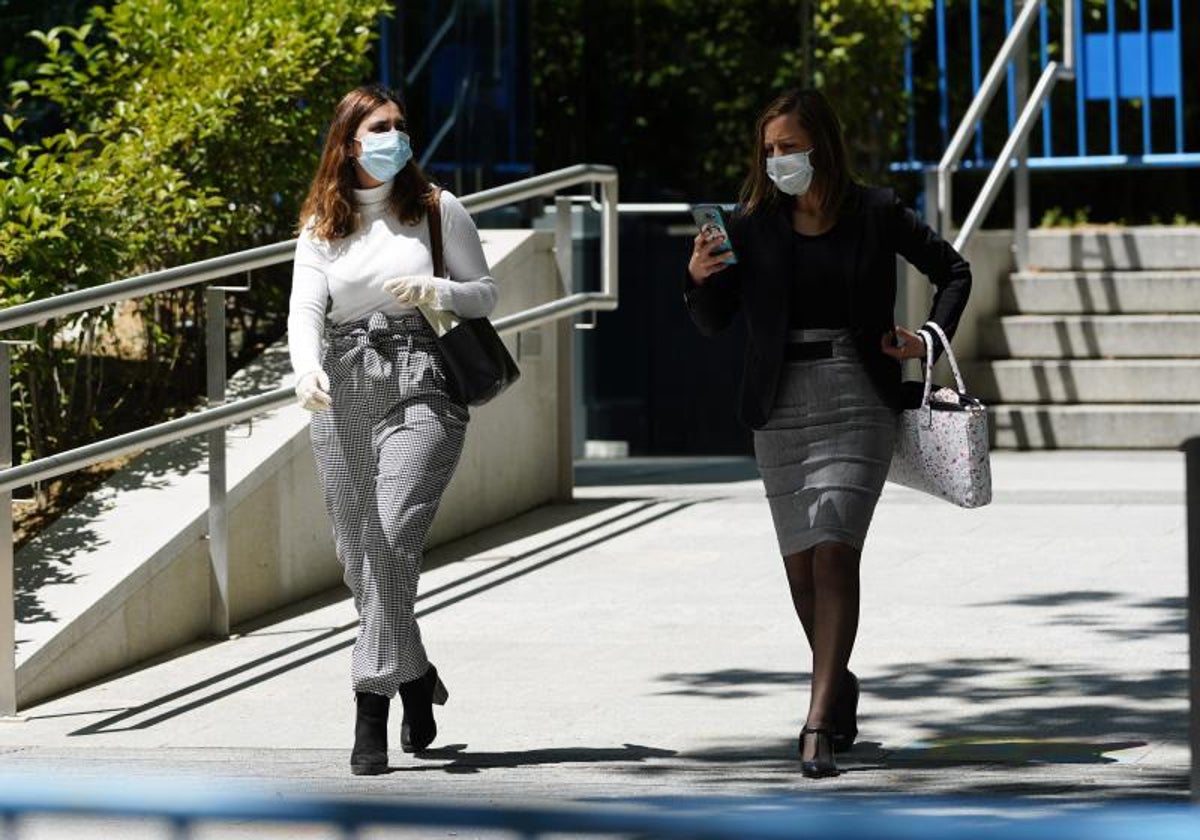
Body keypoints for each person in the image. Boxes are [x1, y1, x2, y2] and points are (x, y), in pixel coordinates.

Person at [684, 88, 971, 778]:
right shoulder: (748, 224)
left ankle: (815, 723)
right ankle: (837, 683)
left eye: (790, 146)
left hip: (856, 395)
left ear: (822, 146)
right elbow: (713, 320)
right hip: (779, 406)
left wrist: (925, 339)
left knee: (836, 549)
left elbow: (953, 270)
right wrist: (697, 280)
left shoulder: (875, 212)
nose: (779, 159)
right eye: (770, 150)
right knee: (802, 568)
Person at [287, 85, 498, 775]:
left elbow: (484, 292)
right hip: (344, 381)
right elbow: (304, 308)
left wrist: (439, 292)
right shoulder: (323, 222)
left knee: (394, 531)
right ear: (349, 142)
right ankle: (417, 675)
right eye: (380, 127)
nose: (395, 136)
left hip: (424, 377)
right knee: (360, 555)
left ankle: (370, 701)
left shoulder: (437, 208)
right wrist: (303, 369)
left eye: (401, 125)